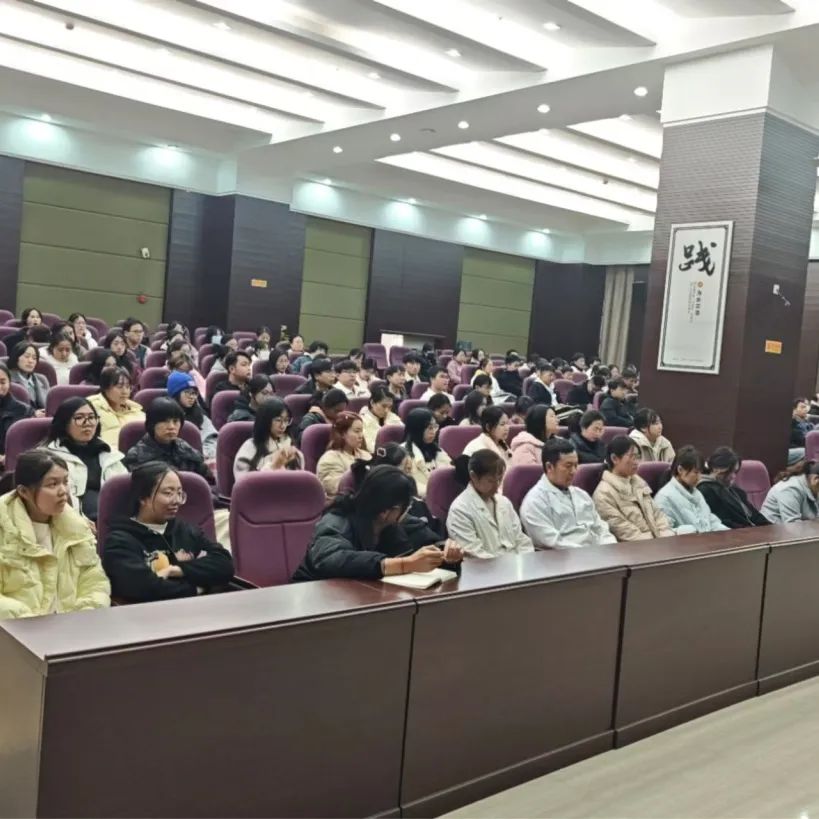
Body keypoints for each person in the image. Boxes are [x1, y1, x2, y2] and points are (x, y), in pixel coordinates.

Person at [293, 463, 465, 582]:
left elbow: (431, 545)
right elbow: (330, 559)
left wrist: (448, 554)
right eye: (406, 506)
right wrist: (404, 564)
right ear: (386, 512)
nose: (409, 511)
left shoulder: (398, 522)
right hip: (319, 600)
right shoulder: (336, 521)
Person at [0, 449, 110, 618]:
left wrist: (83, 618)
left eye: (65, 482)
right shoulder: (4, 528)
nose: (63, 491)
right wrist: (27, 623)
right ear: (24, 492)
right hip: (15, 629)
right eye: (52, 484)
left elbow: (95, 583)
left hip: (72, 627)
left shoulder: (77, 528)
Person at [102, 463, 234, 603]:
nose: (176, 501)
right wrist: (198, 587)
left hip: (199, 608)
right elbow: (142, 588)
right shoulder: (120, 540)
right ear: (142, 497)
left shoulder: (185, 530)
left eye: (179, 493)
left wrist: (176, 570)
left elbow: (224, 565)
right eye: (168, 493)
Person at [520, 438, 616, 549]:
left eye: (576, 465)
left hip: (598, 553)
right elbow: (552, 543)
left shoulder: (581, 495)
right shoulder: (535, 502)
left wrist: (611, 547)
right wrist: (591, 554)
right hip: (566, 557)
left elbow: (601, 528)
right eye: (568, 466)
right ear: (549, 467)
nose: (574, 471)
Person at [44, 397, 127, 522]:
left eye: (92, 417)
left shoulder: (110, 453)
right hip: (70, 522)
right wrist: (82, 523)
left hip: (115, 521)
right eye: (79, 418)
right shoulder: (48, 457)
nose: (87, 423)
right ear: (64, 423)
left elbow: (125, 492)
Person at [447, 449, 533, 559]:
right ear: (473, 476)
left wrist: (526, 562)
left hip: (518, 565)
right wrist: (511, 566)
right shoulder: (460, 510)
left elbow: (521, 540)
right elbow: (475, 553)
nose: (496, 486)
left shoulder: (504, 502)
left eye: (499, 480)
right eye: (490, 481)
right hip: (486, 568)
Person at [592, 436, 675, 541]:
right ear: (614, 459)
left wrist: (667, 537)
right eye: (632, 457)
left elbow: (658, 516)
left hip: (657, 542)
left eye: (638, 457)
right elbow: (626, 533)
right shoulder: (603, 494)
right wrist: (658, 543)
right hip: (634, 548)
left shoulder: (639, 484)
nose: (636, 462)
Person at [123, 397, 212, 483]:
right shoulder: (136, 457)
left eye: (175, 421)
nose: (171, 427)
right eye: (165, 421)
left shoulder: (185, 449)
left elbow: (206, 482)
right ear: (152, 424)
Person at [654, 446, 728, 533]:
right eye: (696, 472)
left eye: (700, 472)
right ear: (680, 470)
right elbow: (663, 532)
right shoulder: (664, 498)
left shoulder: (697, 493)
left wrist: (727, 533)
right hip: (687, 541)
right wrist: (689, 531)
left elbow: (710, 520)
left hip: (706, 540)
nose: (699, 477)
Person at [698, 447, 770, 528]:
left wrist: (771, 527)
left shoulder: (734, 490)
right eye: (729, 472)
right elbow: (722, 522)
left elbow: (754, 515)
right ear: (717, 470)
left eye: (735, 472)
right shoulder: (705, 490)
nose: (733, 476)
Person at [234, 398, 304, 480]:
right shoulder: (250, 447)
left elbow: (299, 482)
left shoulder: (291, 449)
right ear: (265, 421)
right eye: (278, 420)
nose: (283, 426)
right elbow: (245, 484)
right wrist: (274, 466)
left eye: (286, 420)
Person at [87, 366, 146, 451]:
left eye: (128, 387)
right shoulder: (90, 408)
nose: (125, 391)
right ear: (105, 387)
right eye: (120, 386)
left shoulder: (137, 411)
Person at [316, 412, 370, 501]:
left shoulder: (366, 455)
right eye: (357, 431)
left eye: (361, 431)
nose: (361, 436)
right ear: (342, 433)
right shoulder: (329, 459)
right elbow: (338, 488)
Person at [166, 372, 218, 462]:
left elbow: (212, 440)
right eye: (187, 393)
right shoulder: (163, 414)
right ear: (175, 394)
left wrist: (204, 454)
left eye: (194, 393)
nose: (192, 397)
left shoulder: (199, 415)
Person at [402, 408, 451, 498]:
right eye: (429, 428)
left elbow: (449, 473)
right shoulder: (403, 453)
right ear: (417, 429)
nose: (433, 432)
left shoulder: (436, 449)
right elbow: (409, 485)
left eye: (435, 427)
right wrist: (435, 493)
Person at [0, 362, 34, 467]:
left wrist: (9, 457)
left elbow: (28, 446)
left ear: (9, 383)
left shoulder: (24, 411)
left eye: (2, 382)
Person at [7, 342, 49, 415]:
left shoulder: (42, 379)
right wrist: (32, 413)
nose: (31, 361)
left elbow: (49, 404)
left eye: (34, 358)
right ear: (16, 357)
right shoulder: (7, 379)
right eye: (27, 356)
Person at [359, 384, 401, 451]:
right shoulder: (363, 421)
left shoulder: (392, 416)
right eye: (383, 406)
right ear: (372, 403)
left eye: (390, 407)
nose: (387, 411)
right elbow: (372, 448)